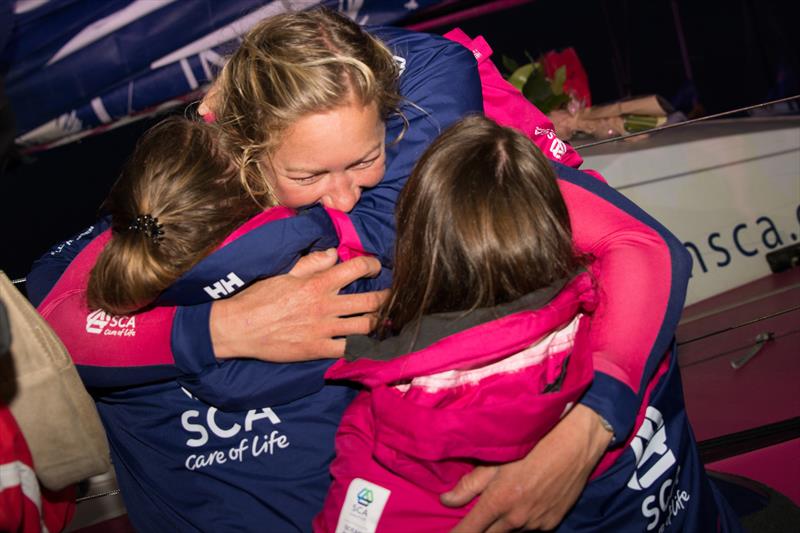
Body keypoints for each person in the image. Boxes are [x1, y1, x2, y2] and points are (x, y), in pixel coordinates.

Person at [30, 8, 698, 532]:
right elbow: (61, 321)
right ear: (242, 150)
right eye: (308, 174)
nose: (345, 193)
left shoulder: (436, 146)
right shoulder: (201, 190)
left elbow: (643, 247)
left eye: (364, 159)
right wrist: (223, 327)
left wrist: (584, 434)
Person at [315, 116, 743, 532]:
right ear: (558, 225)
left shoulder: (386, 433)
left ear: (417, 247)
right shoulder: (640, 336)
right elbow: (639, 252)